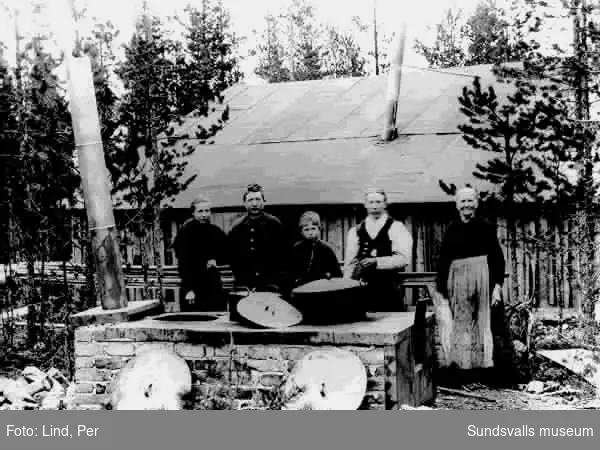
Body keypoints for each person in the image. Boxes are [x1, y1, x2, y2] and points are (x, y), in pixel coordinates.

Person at [434, 186, 506, 377]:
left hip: (483, 283)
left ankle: (484, 370)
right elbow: (443, 262)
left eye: (470, 200)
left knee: (483, 325)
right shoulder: (451, 230)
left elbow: (498, 259)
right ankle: (463, 370)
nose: (467, 205)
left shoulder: (486, 227)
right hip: (457, 284)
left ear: (476, 203)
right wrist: (441, 290)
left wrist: (497, 287)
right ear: (457, 205)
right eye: (463, 201)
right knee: (461, 325)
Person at [343, 188, 413, 311]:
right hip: (363, 288)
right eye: (371, 202)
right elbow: (350, 264)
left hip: (388, 288)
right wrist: (346, 286)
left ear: (385, 204)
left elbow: (404, 259)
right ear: (365, 204)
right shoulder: (355, 231)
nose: (374, 206)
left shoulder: (397, 227)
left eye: (378, 202)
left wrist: (377, 262)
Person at [227, 184, 289, 293]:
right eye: (250, 200)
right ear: (244, 203)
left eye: (258, 199)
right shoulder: (237, 227)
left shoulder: (274, 225)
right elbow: (233, 258)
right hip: (245, 285)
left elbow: (283, 255)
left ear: (264, 202)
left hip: (271, 284)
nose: (254, 203)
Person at [172, 195, 228, 312]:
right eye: (200, 211)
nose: (204, 214)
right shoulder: (185, 233)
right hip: (193, 288)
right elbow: (183, 265)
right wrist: (188, 290)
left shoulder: (216, 232)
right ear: (193, 213)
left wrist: (216, 260)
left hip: (213, 286)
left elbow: (227, 252)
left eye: (207, 211)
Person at [289, 211, 342, 287]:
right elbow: (290, 273)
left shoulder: (326, 249)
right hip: (301, 288)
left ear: (319, 229)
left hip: (321, 288)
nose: (310, 233)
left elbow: (337, 274)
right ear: (301, 232)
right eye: (306, 229)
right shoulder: (296, 249)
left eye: (313, 228)